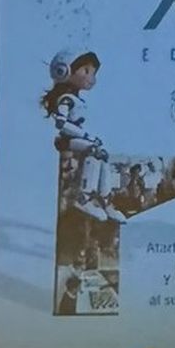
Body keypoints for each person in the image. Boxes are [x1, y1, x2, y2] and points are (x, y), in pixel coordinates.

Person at [42, 48, 124, 222]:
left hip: (77, 138)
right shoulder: (66, 99)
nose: (91, 78)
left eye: (93, 73)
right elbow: (62, 124)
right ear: (64, 71)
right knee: (94, 150)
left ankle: (105, 198)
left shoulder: (77, 100)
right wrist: (86, 136)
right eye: (86, 71)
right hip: (67, 140)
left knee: (102, 154)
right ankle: (84, 197)